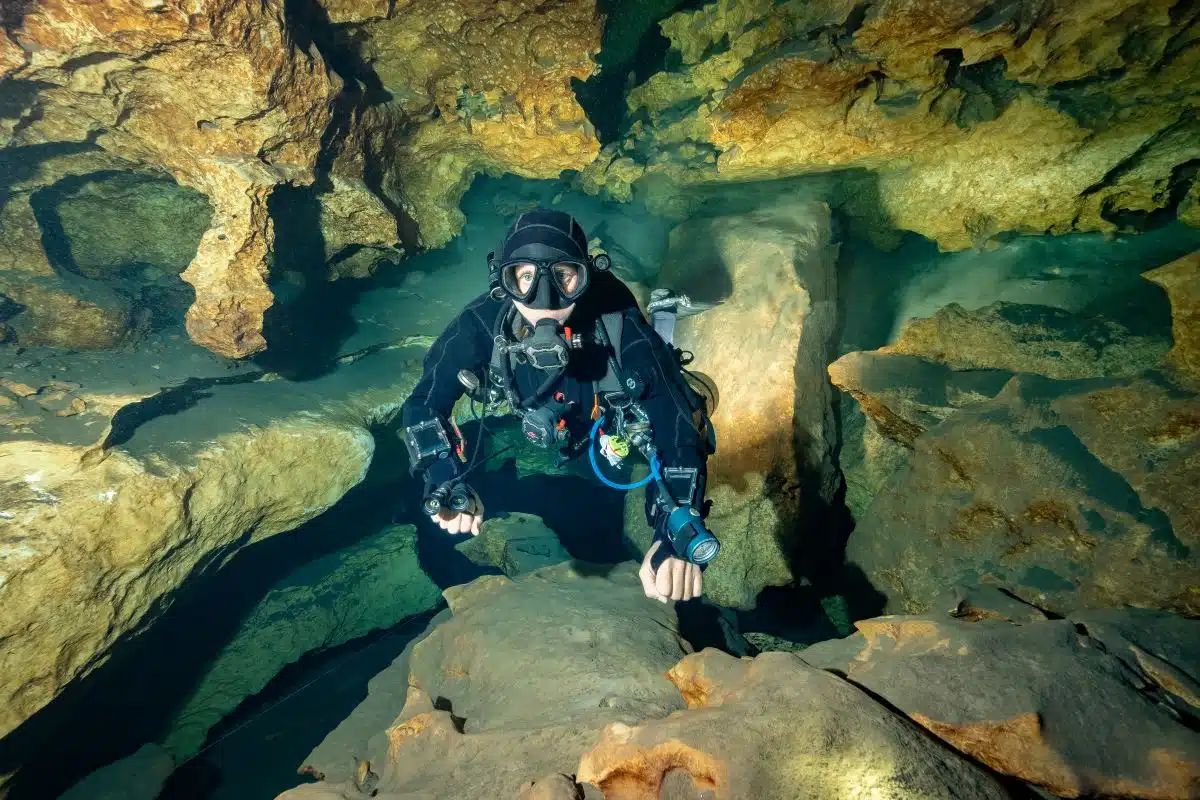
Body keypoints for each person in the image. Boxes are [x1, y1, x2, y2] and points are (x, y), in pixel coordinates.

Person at [399, 208, 717, 603]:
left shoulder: (616, 322)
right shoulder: (482, 323)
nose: (545, 301)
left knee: (669, 379)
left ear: (584, 277)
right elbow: (424, 404)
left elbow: (677, 423)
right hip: (555, 422)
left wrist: (673, 529)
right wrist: (444, 478)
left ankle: (663, 318)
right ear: (505, 282)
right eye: (527, 277)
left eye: (563, 276)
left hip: (603, 421)